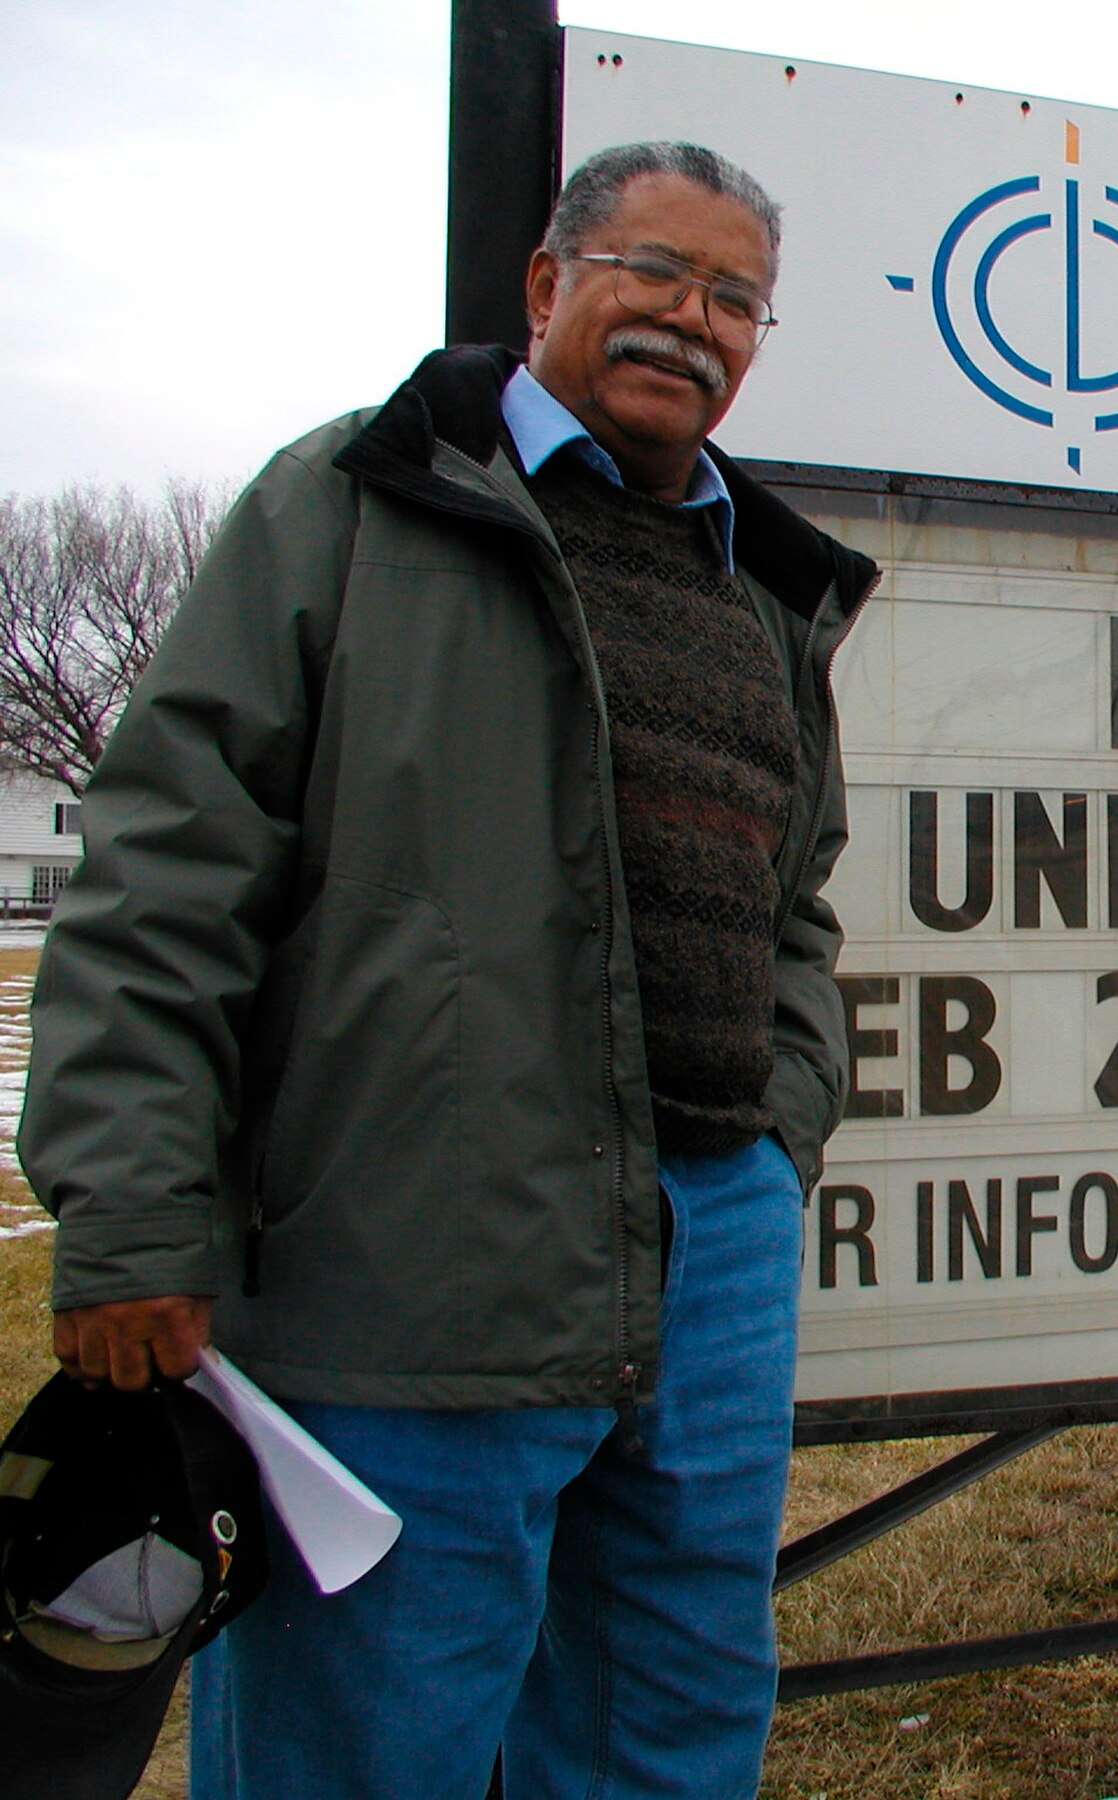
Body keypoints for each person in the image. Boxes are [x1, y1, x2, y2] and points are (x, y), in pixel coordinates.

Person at [21, 140, 876, 1797]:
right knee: (364, 1738)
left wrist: (780, 1132)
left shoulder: (764, 589)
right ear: (548, 283)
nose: (692, 318)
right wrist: (130, 1213)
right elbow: (168, 870)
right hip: (408, 1250)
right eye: (652, 270)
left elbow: (795, 911)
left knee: (671, 1728)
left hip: (711, 1254)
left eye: (735, 298)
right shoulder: (352, 504)